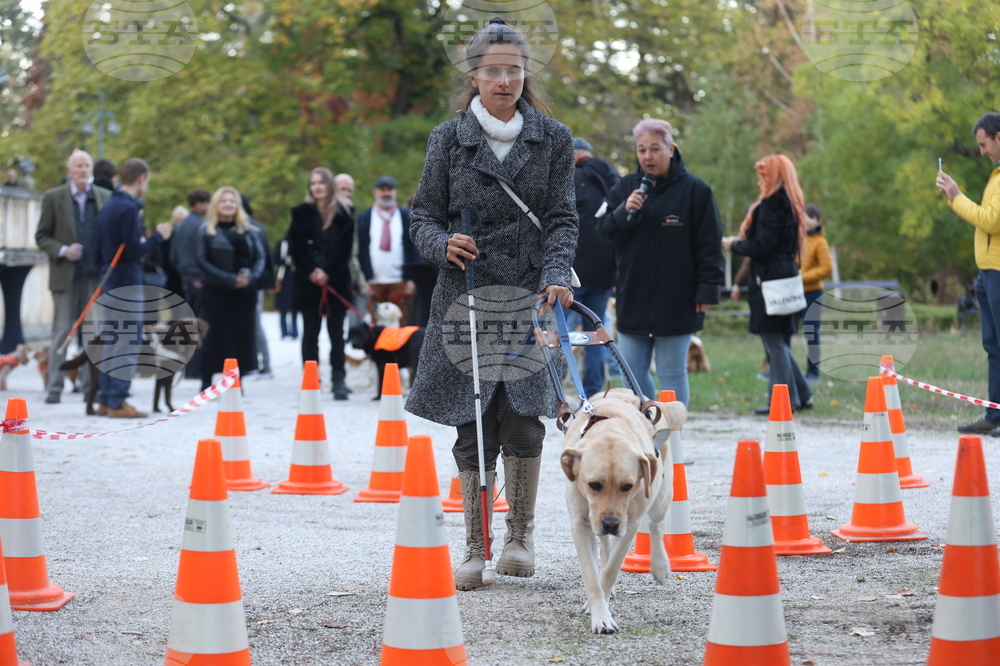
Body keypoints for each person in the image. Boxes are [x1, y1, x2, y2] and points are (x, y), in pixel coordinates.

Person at [406, 18, 577, 591]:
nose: (504, 80)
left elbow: (561, 219)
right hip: (466, 295)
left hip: (529, 294)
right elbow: (423, 215)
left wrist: (557, 273)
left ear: (525, 74)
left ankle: (520, 536)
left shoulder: (553, 138)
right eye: (492, 70)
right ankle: (475, 546)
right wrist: (440, 243)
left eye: (514, 69)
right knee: (470, 420)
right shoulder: (447, 139)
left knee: (524, 417)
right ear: (474, 76)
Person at [597, 119, 724, 407]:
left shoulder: (696, 191)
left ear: (671, 149)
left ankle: (673, 439)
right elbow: (603, 232)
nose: (647, 156)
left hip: (677, 299)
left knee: (672, 372)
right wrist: (622, 211)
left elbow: (709, 245)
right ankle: (650, 431)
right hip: (634, 297)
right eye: (642, 150)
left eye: (655, 149)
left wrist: (707, 289)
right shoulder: (625, 187)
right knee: (631, 372)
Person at [722, 155, 813, 414]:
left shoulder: (771, 206)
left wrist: (733, 244)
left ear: (774, 177)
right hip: (784, 277)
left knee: (773, 342)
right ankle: (802, 394)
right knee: (779, 341)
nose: (759, 180)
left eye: (764, 175)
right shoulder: (791, 203)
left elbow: (762, 246)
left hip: (769, 280)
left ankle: (784, 402)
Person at [93, 158, 173, 417]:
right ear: (140, 178)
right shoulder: (128, 208)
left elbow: (98, 250)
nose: (147, 185)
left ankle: (106, 399)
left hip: (110, 280)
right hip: (127, 282)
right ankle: (117, 401)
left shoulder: (108, 207)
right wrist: (159, 236)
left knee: (112, 341)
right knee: (126, 342)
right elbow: (133, 251)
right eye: (147, 180)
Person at [939, 112, 1000, 435]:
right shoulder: (996, 175)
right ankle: (994, 414)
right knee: (993, 346)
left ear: (999, 136)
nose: (981, 151)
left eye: (984, 144)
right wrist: (955, 198)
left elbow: (991, 221)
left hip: (999, 274)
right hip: (988, 273)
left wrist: (956, 197)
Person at [35, 150, 112, 404]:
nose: (83, 170)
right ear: (69, 171)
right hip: (64, 277)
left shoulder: (104, 197)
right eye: (78, 166)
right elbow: (42, 236)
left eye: (87, 166)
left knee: (94, 334)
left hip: (94, 278)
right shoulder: (53, 197)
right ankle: (54, 387)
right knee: (61, 332)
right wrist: (63, 250)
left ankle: (91, 388)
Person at [287, 167, 366, 400]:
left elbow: (344, 252)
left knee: (336, 335)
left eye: (321, 182)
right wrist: (312, 272)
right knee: (310, 334)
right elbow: (296, 248)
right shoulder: (300, 213)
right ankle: (311, 381)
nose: (317, 187)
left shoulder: (344, 213)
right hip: (307, 283)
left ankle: (339, 381)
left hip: (336, 282)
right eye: (313, 183)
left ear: (329, 185)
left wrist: (328, 273)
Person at [196, 186, 266, 390]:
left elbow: (261, 257)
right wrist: (229, 279)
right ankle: (206, 380)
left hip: (245, 293)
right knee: (215, 336)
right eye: (224, 201)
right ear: (216, 205)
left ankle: (237, 380)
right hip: (217, 292)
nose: (228, 204)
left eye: (232, 201)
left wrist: (251, 277)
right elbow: (201, 261)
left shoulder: (250, 231)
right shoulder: (206, 231)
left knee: (242, 337)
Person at [567, 137, 619, 397]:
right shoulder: (612, 182)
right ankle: (592, 393)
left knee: (557, 335)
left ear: (575, 154)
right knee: (595, 335)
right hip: (604, 272)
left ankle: (549, 391)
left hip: (571, 272)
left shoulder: (571, 178)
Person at [357, 175, 419, 324]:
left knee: (401, 328)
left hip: (400, 282)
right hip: (373, 282)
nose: (386, 193)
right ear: (375, 192)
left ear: (395, 192)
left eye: (389, 189)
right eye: (382, 189)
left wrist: (412, 279)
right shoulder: (364, 218)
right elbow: (359, 250)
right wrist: (363, 280)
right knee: (376, 330)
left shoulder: (406, 217)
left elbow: (414, 248)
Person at [242, 195, 275, 379]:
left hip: (253, 283)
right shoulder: (257, 226)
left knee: (254, 324)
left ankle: (263, 364)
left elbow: (263, 257)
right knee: (254, 323)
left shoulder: (250, 228)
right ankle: (263, 363)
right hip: (258, 282)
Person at [799, 204, 833, 381]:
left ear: (817, 221)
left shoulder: (820, 242)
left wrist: (802, 277)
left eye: (809, 217)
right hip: (794, 293)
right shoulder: (796, 239)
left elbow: (827, 268)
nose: (804, 220)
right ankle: (781, 370)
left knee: (811, 333)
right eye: (802, 216)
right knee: (783, 331)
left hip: (813, 293)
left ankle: (813, 373)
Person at [274, 235, 299, 339]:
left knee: (295, 307)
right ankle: (284, 331)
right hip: (283, 279)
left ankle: (294, 331)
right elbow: (275, 259)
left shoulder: (298, 244)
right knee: (283, 308)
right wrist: (285, 260)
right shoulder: (281, 244)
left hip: (295, 279)